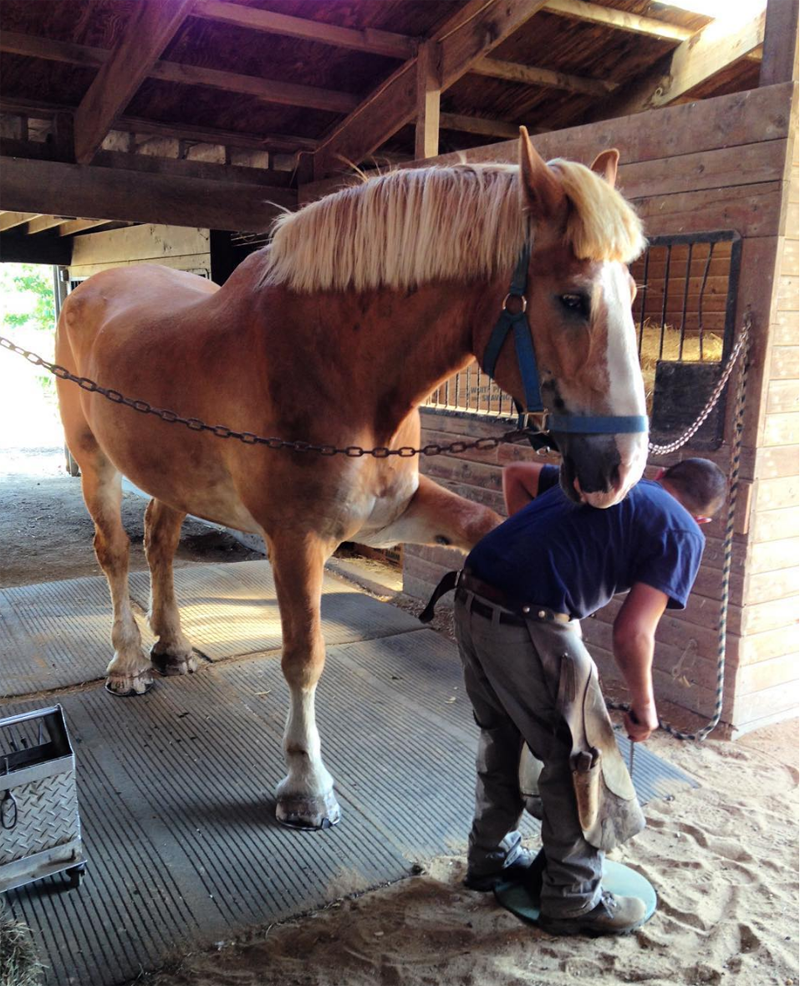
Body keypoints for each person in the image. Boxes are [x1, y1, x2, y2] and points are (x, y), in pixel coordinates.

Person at [421, 456, 726, 936]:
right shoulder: (684, 532)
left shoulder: (609, 480)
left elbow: (517, 473)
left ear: (659, 475)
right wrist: (645, 705)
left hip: (470, 597)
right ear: (703, 519)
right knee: (578, 759)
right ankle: (573, 898)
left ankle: (490, 860)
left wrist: (532, 554)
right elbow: (633, 633)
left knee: (503, 736)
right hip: (528, 621)